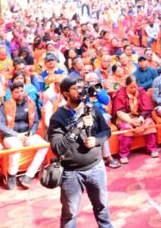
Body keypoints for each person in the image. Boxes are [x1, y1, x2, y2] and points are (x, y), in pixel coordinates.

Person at [48, 76, 113, 228]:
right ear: (65, 93)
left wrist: (96, 140)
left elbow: (106, 131)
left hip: (96, 167)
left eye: (82, 87)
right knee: (70, 213)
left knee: (102, 207)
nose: (81, 90)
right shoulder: (58, 117)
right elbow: (57, 148)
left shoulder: (92, 109)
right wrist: (78, 126)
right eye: (76, 88)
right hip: (71, 173)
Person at [0, 82, 49, 190]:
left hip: (27, 135)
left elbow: (36, 122)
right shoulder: (5, 105)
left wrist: (31, 132)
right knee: (16, 146)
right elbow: (2, 126)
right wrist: (17, 135)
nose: (20, 94)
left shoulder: (31, 103)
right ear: (12, 93)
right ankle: (12, 175)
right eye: (16, 92)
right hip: (11, 136)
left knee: (44, 145)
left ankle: (28, 175)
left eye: (21, 91)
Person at [111, 76, 159, 163]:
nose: (133, 89)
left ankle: (152, 148)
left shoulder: (142, 92)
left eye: (135, 87)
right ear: (126, 86)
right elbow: (119, 112)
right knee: (126, 128)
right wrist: (131, 121)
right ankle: (124, 154)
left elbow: (147, 109)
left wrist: (140, 119)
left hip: (140, 116)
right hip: (125, 118)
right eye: (131, 87)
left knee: (149, 123)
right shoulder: (120, 95)